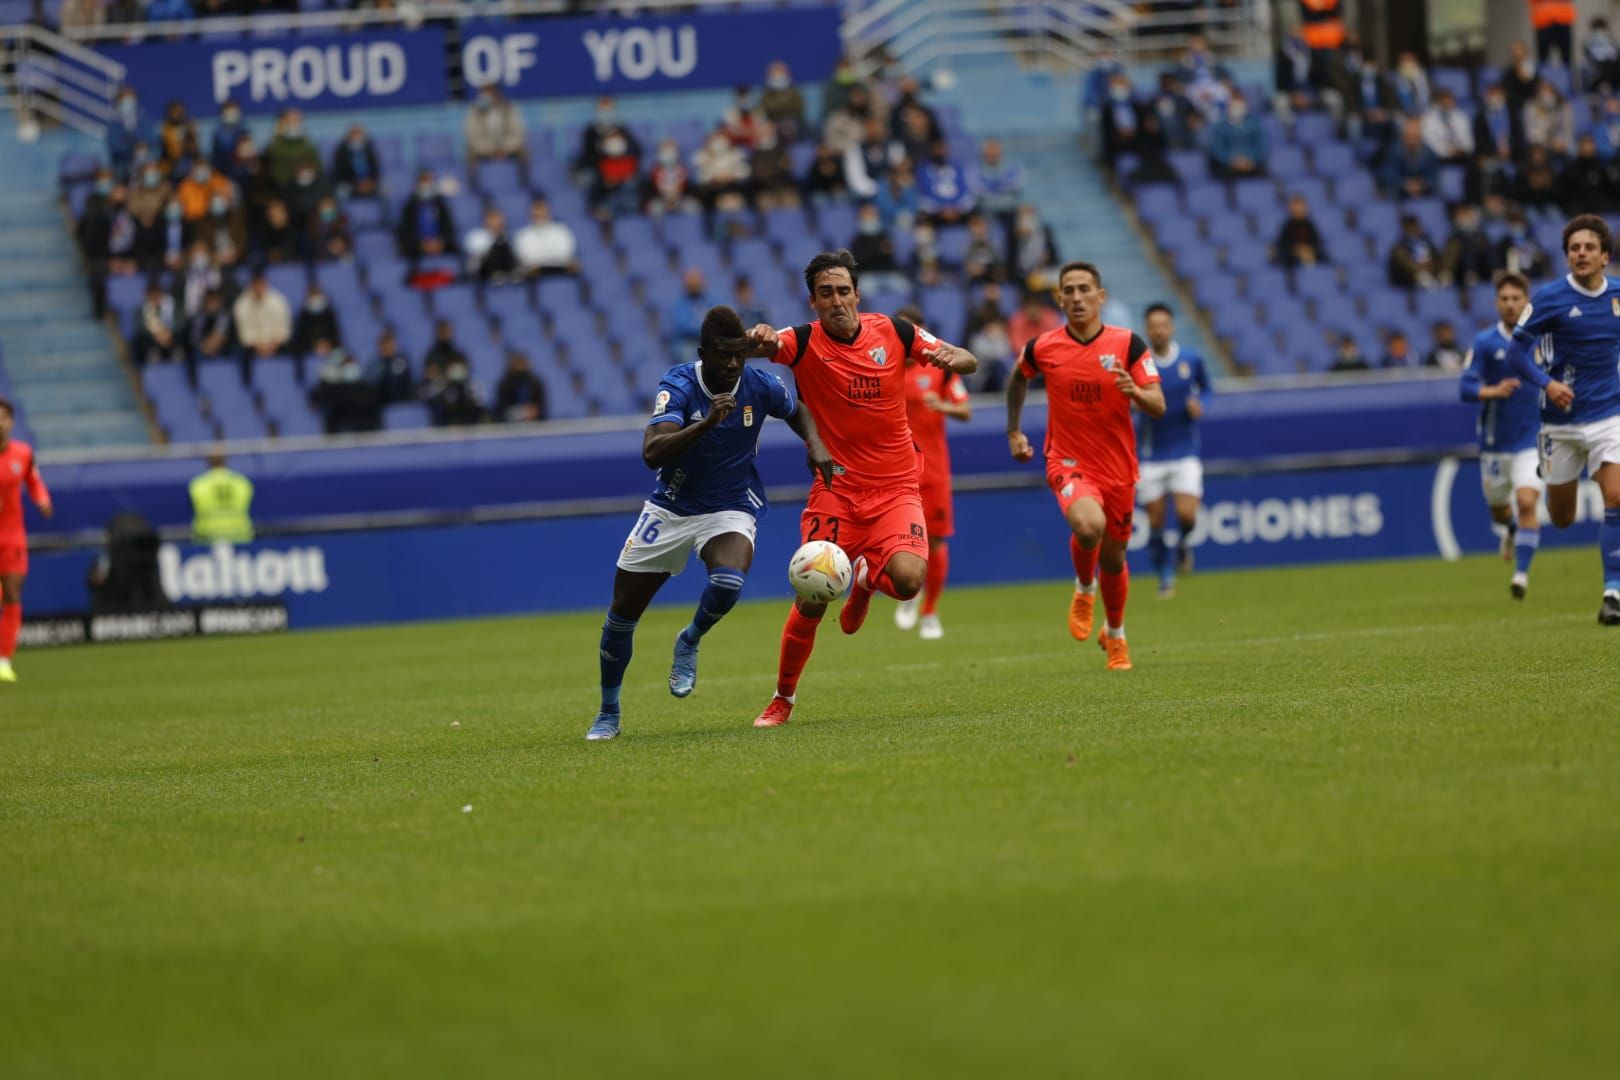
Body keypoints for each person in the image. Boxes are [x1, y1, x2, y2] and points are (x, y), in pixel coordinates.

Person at [745, 250, 979, 727]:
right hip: (837, 489)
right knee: (811, 597)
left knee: (910, 579)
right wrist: (757, 337)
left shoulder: (894, 331)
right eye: (826, 293)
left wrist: (956, 356)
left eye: (844, 291)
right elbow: (752, 349)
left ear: (858, 294)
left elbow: (968, 361)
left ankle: (867, 579)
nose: (837, 301)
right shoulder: (802, 342)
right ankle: (782, 699)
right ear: (813, 301)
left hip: (897, 485)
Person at [585, 306, 834, 740]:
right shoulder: (679, 383)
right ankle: (609, 712)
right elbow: (652, 452)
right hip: (671, 507)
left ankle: (690, 639)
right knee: (622, 617)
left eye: (738, 354)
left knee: (728, 583)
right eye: (723, 356)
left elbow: (798, 410)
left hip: (730, 504)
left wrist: (814, 443)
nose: (733, 364)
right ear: (703, 353)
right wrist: (704, 424)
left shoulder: (759, 384)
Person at [1006, 262, 1164, 670]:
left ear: (1100, 297)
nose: (1076, 297)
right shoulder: (1044, 346)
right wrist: (1014, 431)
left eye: (1084, 290)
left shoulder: (1128, 345)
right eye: (1068, 291)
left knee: (1114, 557)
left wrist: (1136, 394)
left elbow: (1159, 404)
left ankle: (1115, 635)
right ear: (1059, 299)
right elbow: (1017, 377)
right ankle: (1083, 587)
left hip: (1119, 468)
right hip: (1069, 460)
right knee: (1089, 526)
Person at [1504, 214, 1620, 624]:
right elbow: (1515, 354)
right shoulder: (1549, 299)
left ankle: (1612, 593)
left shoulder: (1618, 295)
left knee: (1616, 498)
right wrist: (1546, 384)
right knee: (1564, 518)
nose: (1581, 253)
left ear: (1605, 256)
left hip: (1610, 415)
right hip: (1561, 421)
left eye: (1589, 247)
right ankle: (1548, 471)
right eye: (1574, 248)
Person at [883, 307, 971, 639]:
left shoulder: (940, 369)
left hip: (933, 469)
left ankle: (930, 611)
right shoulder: (881, 369)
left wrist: (944, 405)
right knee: (893, 542)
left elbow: (965, 409)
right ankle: (910, 592)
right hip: (894, 471)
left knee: (935, 541)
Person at [1460, 272, 1544, 600]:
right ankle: (1510, 531)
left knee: (1526, 501)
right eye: (1504, 299)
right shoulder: (1484, 343)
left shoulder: (1540, 337)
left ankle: (1521, 575)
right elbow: (1465, 388)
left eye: (1516, 298)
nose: (1510, 304)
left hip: (1531, 439)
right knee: (1499, 509)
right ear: (1497, 303)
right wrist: (1492, 390)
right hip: (1495, 442)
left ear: (1526, 302)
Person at [1134, 304, 1211, 598]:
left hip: (1185, 451)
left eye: (1163, 324)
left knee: (1187, 515)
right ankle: (1164, 576)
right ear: (1146, 329)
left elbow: (1207, 389)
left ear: (1172, 327)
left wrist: (1201, 404)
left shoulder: (1190, 359)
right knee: (1154, 522)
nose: (1159, 330)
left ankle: (1182, 545)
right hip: (1151, 454)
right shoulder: (1138, 364)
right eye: (1153, 325)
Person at [0, 397, 52, 683]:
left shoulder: (23, 454)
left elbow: (34, 480)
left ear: (12, 422)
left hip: (11, 537)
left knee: (12, 593)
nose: (0, 423)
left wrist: (42, 500)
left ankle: (3, 659)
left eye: (4, 417)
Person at [189, 450, 254, 543]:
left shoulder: (198, 484)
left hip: (207, 537)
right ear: (226, 462)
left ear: (208, 463)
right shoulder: (242, 482)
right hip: (239, 535)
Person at [233, 269, 291, 370]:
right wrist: (259, 346)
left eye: (261, 284)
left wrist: (274, 344)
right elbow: (244, 333)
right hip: (253, 346)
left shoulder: (278, 301)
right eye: (256, 285)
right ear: (251, 285)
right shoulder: (241, 305)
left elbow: (284, 328)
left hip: (276, 343)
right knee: (239, 352)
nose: (259, 288)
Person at [512, 198, 578, 278]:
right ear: (531, 213)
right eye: (537, 212)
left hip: (561, 268)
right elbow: (527, 257)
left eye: (542, 210)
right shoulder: (523, 235)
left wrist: (548, 259)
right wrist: (547, 259)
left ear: (548, 211)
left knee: (574, 267)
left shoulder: (561, 230)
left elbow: (566, 252)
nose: (540, 214)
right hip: (536, 272)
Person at [397, 171, 455, 261]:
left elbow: (449, 227)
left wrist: (440, 242)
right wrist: (422, 244)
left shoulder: (440, 205)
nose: (426, 185)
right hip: (417, 247)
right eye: (423, 182)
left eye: (429, 182)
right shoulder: (410, 206)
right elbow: (406, 231)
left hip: (440, 245)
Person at [464, 84, 526, 166]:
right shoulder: (475, 112)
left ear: (496, 95)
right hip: (484, 150)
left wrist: (506, 148)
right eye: (482, 96)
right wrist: (490, 150)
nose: (484, 99)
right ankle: (472, 179)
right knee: (470, 154)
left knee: (524, 152)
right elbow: (472, 137)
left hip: (507, 149)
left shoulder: (508, 109)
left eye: (487, 96)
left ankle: (524, 179)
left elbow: (518, 132)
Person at [1272, 193, 1325, 267]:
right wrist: (1297, 250)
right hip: (1292, 258)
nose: (1298, 210)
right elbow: (1282, 245)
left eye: (1301, 207)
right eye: (1295, 207)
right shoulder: (1287, 226)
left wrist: (1308, 250)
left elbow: (1317, 243)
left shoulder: (1309, 225)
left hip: (1310, 256)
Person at [494, 351, 548, 422]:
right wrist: (521, 412)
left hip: (534, 421)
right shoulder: (505, 383)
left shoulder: (535, 382)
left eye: (522, 362)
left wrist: (533, 411)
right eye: (518, 362)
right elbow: (503, 406)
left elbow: (542, 403)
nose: (520, 366)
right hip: (510, 422)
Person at [331, 125, 380, 199]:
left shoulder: (369, 150)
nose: (357, 138)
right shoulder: (341, 151)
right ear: (349, 136)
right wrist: (357, 184)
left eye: (360, 135)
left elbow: (376, 168)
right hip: (349, 183)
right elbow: (340, 172)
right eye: (355, 135)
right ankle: (342, 211)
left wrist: (371, 182)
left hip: (368, 183)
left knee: (385, 191)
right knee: (341, 193)